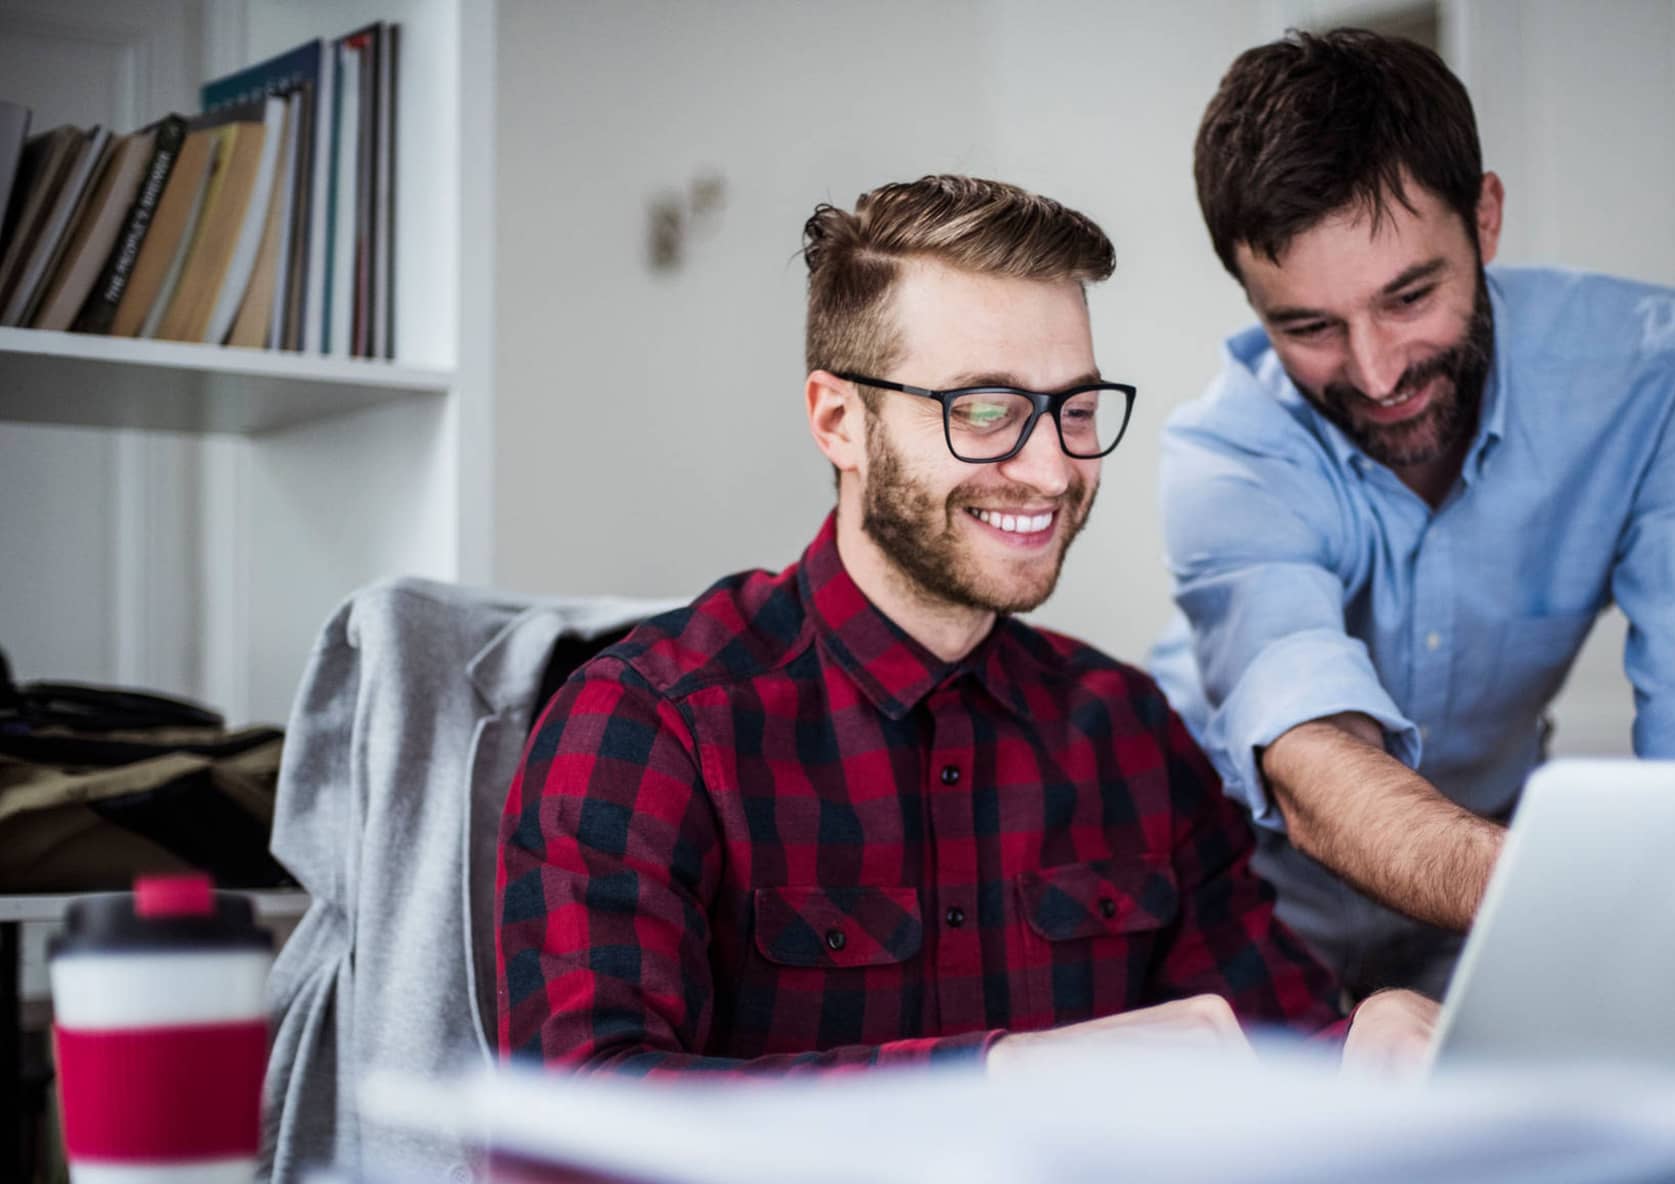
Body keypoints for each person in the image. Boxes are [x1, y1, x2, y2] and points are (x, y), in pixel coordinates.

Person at [496, 175, 1436, 1077]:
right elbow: (579, 1124)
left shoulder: (1129, 733)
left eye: (1074, 408)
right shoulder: (651, 726)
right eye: (983, 410)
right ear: (839, 421)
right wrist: (997, 1077)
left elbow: (1270, 1056)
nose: (1052, 470)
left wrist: (1363, 1042)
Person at [1150, 30, 1675, 998]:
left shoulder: (1659, 374)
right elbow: (1316, 759)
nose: (1374, 372)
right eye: (1308, 326)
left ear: (1484, 219)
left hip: (1480, 885)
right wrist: (1584, 896)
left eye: (1409, 295)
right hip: (1239, 894)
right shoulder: (1225, 450)